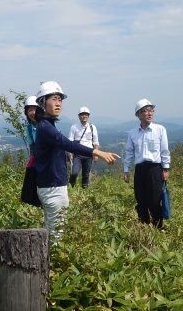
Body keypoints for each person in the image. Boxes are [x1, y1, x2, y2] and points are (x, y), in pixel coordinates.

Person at [34, 81, 119, 241]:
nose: (58, 103)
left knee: (52, 231)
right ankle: (51, 264)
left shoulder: (47, 125)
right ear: (42, 102)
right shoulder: (45, 127)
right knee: (56, 235)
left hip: (53, 186)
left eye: (60, 99)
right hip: (52, 188)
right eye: (53, 99)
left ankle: (48, 262)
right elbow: (68, 144)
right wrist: (96, 151)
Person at [123, 98, 170, 230]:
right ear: (138, 114)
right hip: (140, 170)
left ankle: (158, 228)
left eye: (151, 110)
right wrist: (126, 170)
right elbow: (129, 152)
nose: (149, 113)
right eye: (145, 111)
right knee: (141, 199)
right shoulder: (133, 133)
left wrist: (166, 168)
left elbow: (164, 150)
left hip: (155, 169)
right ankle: (143, 228)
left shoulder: (160, 130)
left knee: (155, 200)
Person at [68, 106, 100, 188]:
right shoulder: (74, 127)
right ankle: (71, 186)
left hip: (89, 153)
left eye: (86, 114)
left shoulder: (92, 127)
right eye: (82, 114)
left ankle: (84, 191)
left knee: (86, 175)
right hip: (77, 154)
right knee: (74, 172)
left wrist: (96, 154)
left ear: (88, 116)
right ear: (79, 116)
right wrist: (70, 153)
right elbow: (70, 141)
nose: (84, 116)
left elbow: (95, 142)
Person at [21, 95, 41, 206]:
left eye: (35, 109)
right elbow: (32, 145)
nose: (32, 112)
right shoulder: (29, 128)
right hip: (37, 157)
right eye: (30, 110)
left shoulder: (45, 124)